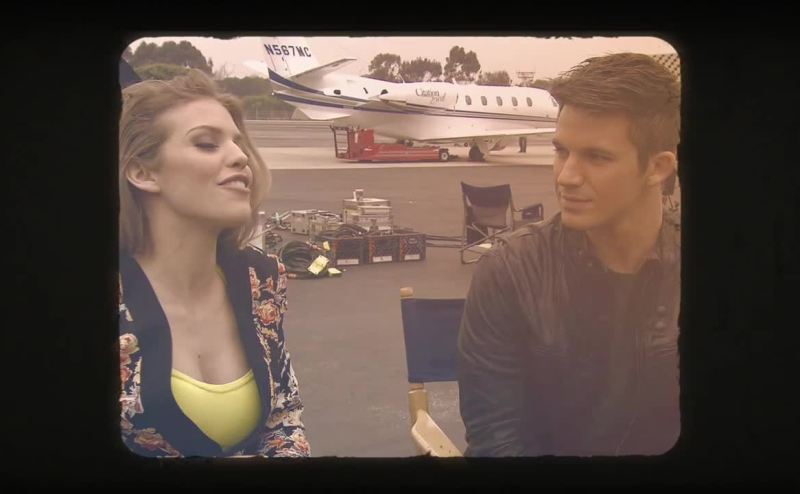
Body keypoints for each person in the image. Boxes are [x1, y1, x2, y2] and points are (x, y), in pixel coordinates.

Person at [458, 53, 681, 457]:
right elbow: (496, 439)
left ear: (658, 167)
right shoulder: (512, 272)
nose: (566, 176)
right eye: (561, 151)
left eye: (597, 157)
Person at [118, 70, 310, 457]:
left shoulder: (261, 278)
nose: (241, 156)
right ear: (142, 172)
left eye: (238, 144)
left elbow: (283, 417)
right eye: (207, 144)